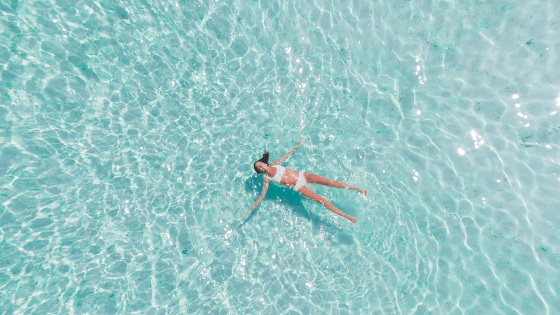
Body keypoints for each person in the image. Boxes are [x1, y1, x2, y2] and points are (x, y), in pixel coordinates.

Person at [245, 140, 367, 223]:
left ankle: (358, 189)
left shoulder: (274, 164)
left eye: (261, 164)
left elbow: (286, 156)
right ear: (260, 171)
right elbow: (261, 196)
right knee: (323, 201)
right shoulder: (267, 180)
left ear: (264, 162)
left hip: (304, 176)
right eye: (259, 168)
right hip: (299, 187)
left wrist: (296, 147)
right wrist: (251, 209)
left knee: (331, 183)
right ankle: (348, 217)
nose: (261, 167)